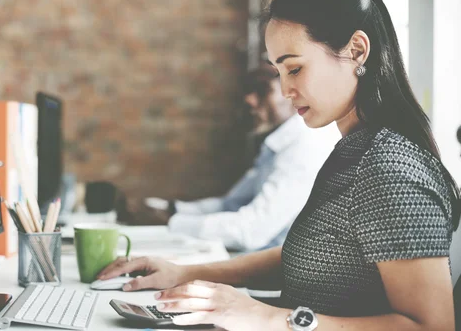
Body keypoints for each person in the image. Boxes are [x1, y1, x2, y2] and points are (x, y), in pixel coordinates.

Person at [97, 0, 461, 331]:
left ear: (356, 50)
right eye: (278, 71)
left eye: (295, 68)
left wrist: (269, 319)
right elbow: (306, 258)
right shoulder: (353, 151)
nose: (286, 89)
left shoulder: (390, 169)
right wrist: (185, 274)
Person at [123, 61, 339, 252]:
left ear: (292, 92)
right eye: (248, 91)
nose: (249, 100)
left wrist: (170, 221)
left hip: (275, 275)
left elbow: (252, 231)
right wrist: (168, 208)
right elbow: (230, 204)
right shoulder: (279, 143)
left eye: (262, 89)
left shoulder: (306, 145)